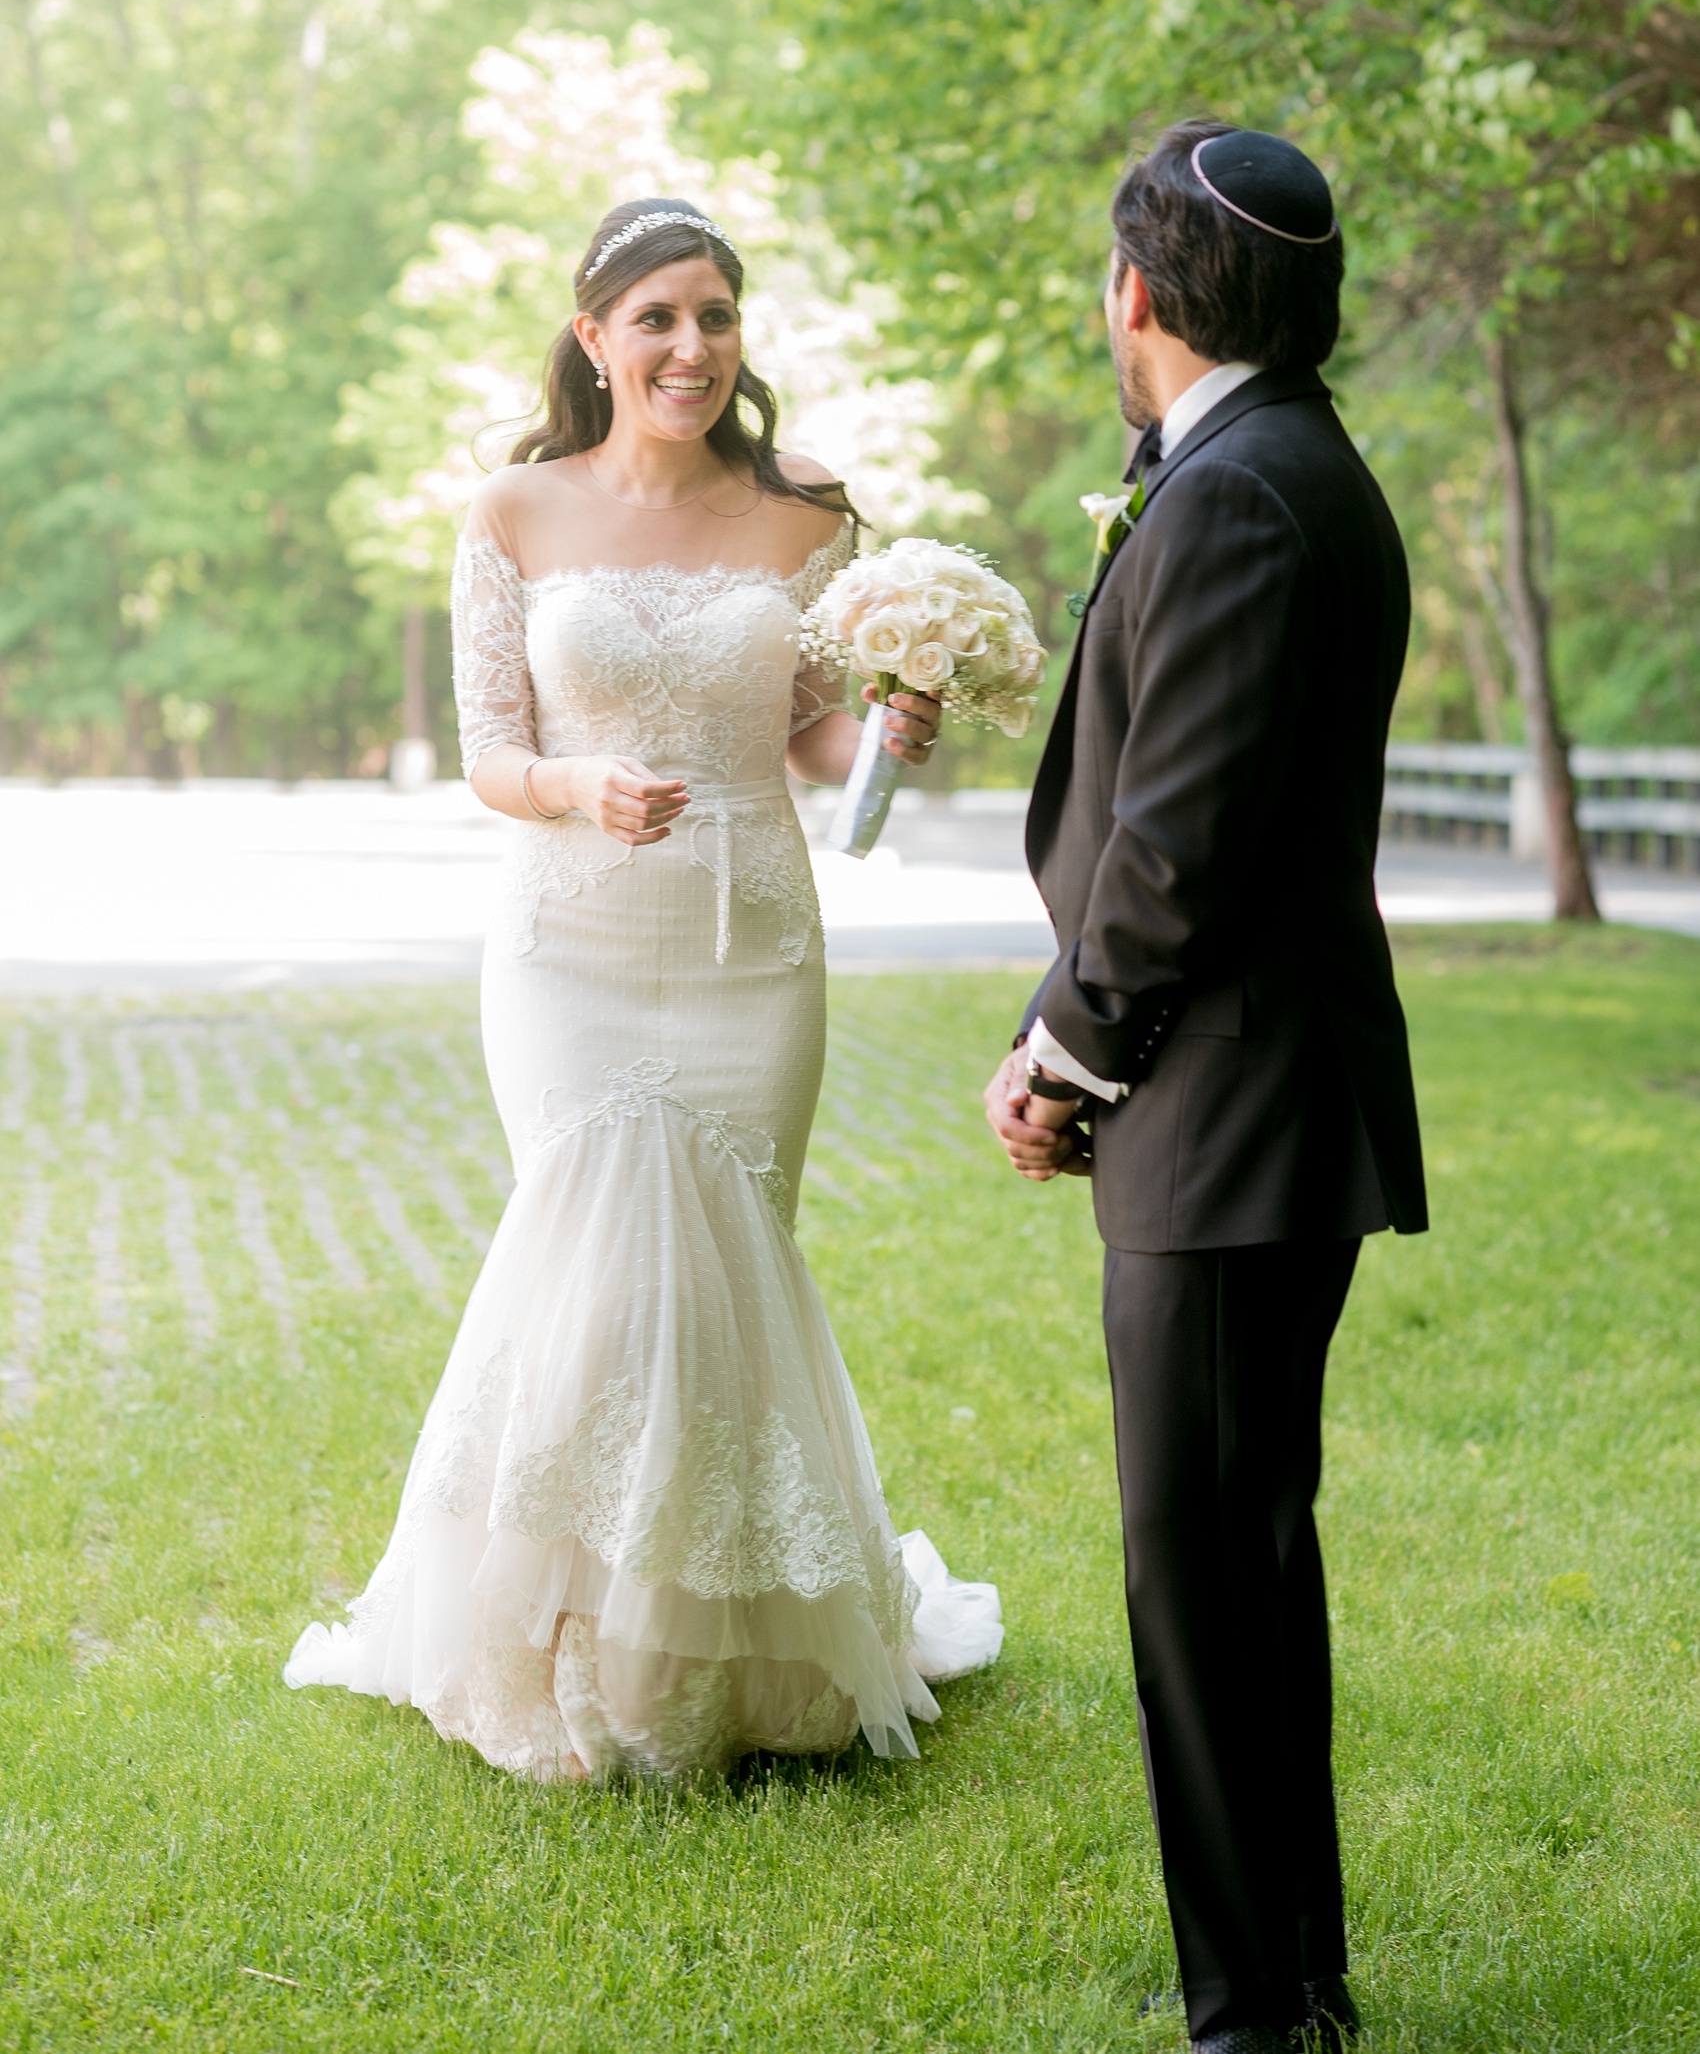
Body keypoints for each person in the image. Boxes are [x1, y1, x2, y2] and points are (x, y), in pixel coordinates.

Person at [288, 195, 1001, 1780]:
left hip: (754, 952)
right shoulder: (514, 510)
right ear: (593, 334)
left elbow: (813, 737)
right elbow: (488, 752)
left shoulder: (808, 510)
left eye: (718, 316)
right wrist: (576, 786)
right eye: (660, 316)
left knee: (728, 1288)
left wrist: (892, 730)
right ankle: (557, 1648)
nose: (693, 346)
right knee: (599, 1291)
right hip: (570, 953)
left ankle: (731, 1665)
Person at [984, 125, 1426, 2052]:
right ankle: (1294, 1984)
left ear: (1139, 294)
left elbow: (1172, 859)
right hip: (1238, 1109)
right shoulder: (1268, 464)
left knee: (1203, 1575)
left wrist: (1059, 1063)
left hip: (1225, 1118)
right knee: (1237, 1565)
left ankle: (1256, 2015)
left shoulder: (1245, 498)